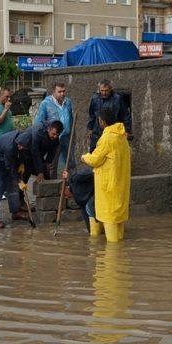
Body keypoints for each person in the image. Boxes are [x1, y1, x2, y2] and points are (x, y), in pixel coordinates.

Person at [81, 107, 131, 243]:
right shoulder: (122, 137)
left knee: (110, 223)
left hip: (109, 186)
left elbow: (95, 160)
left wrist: (85, 157)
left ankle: (111, 257)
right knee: (118, 218)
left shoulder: (107, 138)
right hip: (121, 184)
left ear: (102, 121)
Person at [0, 129, 30, 228]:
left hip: (5, 160)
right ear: (17, 142)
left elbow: (21, 156)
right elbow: (9, 166)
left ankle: (15, 212)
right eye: (19, 145)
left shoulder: (23, 140)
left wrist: (21, 165)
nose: (20, 147)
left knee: (13, 185)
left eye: (23, 146)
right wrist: (19, 180)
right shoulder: (9, 146)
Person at [34, 82, 74, 178]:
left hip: (67, 137)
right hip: (54, 138)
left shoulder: (68, 102)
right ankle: (53, 187)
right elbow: (39, 122)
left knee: (70, 161)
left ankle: (70, 186)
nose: (62, 94)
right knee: (53, 164)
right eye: (59, 91)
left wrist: (73, 135)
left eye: (63, 91)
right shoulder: (45, 103)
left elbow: (71, 119)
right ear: (54, 92)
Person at [87, 79, 132, 152]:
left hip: (113, 132)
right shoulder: (95, 98)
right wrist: (90, 129)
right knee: (95, 153)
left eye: (106, 90)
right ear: (99, 89)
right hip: (97, 131)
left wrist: (127, 130)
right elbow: (92, 115)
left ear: (111, 89)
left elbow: (125, 115)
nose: (104, 93)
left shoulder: (117, 99)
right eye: (102, 90)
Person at [62, 168, 95, 232]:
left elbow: (89, 172)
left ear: (66, 188)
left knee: (89, 207)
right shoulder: (77, 198)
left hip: (95, 196)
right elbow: (83, 210)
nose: (66, 197)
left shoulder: (75, 179)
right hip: (88, 205)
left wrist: (70, 176)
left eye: (64, 194)